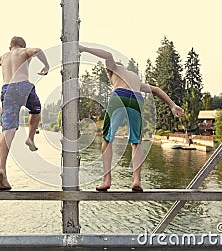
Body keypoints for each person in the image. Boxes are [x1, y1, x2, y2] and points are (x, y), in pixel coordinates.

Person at [79, 45, 184, 192]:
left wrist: (83, 48)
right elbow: (156, 90)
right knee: (136, 141)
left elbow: (108, 55)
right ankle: (136, 180)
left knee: (107, 139)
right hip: (137, 98)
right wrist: (173, 106)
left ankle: (107, 179)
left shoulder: (114, 70)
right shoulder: (135, 79)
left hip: (119, 95)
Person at [0, 36, 49, 190]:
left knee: (7, 129)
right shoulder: (24, 51)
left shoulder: (4, 56)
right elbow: (38, 50)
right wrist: (46, 66)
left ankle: (1, 168)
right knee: (36, 110)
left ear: (10, 47)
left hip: (7, 90)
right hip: (23, 86)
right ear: (21, 45)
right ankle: (30, 138)